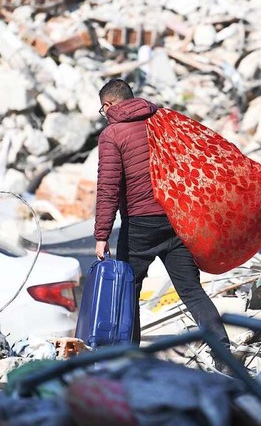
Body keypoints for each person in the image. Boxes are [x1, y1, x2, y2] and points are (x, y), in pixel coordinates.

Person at [93, 79, 231, 364]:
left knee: (128, 293)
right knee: (192, 291)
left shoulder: (112, 134)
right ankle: (224, 354)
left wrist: (101, 234)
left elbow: (108, 187)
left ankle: (129, 359)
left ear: (108, 106)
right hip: (175, 219)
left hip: (139, 226)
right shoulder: (161, 120)